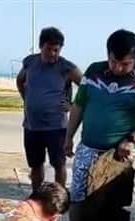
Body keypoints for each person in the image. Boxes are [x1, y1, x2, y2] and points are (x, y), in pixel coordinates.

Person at [59, 29, 135, 221]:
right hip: (88, 148)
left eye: (125, 64)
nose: (118, 68)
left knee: (113, 204)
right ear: (107, 54)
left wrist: (130, 139)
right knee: (78, 196)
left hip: (117, 155)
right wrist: (68, 137)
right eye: (114, 61)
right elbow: (79, 106)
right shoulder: (94, 71)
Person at [17, 27, 83, 191]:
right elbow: (20, 80)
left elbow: (87, 87)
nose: (53, 53)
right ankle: (36, 198)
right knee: (36, 165)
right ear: (41, 46)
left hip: (57, 128)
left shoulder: (66, 67)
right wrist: (27, 99)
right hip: (32, 127)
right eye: (49, 49)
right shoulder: (30, 62)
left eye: (57, 49)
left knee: (59, 165)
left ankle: (59, 199)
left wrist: (72, 106)